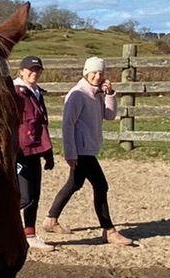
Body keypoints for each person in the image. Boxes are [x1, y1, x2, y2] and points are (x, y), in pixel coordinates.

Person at [46, 56, 131, 247]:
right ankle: (109, 230)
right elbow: (67, 125)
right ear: (86, 72)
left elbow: (109, 116)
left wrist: (110, 94)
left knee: (74, 184)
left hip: (89, 147)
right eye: (94, 72)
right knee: (101, 186)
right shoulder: (77, 95)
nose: (97, 76)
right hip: (80, 150)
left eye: (101, 73)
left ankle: (51, 219)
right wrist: (70, 153)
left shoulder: (98, 94)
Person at [13, 55, 56, 247]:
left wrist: (48, 153)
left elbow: (41, 124)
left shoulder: (36, 93)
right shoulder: (15, 92)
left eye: (37, 70)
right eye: (30, 69)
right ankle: (8, 230)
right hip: (19, 151)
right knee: (25, 196)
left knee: (34, 195)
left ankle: (29, 235)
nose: (34, 73)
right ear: (21, 70)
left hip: (35, 150)